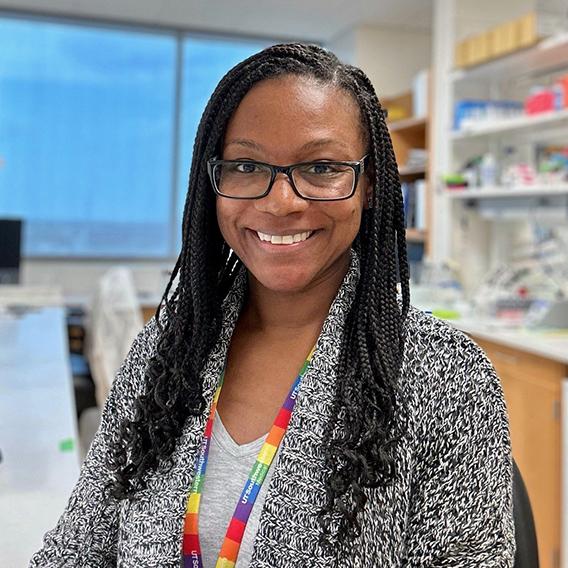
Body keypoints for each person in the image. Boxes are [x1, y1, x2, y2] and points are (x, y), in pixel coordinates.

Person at [30, 43, 515, 567]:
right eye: (245, 165)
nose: (281, 201)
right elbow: (76, 551)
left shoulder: (444, 375)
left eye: (322, 166)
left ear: (369, 185)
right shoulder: (161, 356)